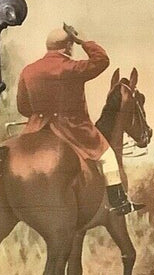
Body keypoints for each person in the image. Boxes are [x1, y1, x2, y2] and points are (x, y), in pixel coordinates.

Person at [15, 23, 141, 214]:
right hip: (74, 129)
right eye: (72, 45)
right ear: (68, 47)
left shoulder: (28, 70)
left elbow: (23, 107)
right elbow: (102, 60)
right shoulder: (71, 68)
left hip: (37, 128)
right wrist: (83, 41)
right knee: (108, 157)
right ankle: (119, 203)